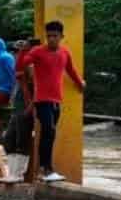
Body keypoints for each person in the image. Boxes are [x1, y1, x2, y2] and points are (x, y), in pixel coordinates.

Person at [20, 20, 85, 182]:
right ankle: (46, 169)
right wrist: (23, 51)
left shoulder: (65, 53)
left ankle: (45, 169)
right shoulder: (37, 51)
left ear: (61, 36)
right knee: (49, 131)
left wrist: (80, 83)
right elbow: (21, 66)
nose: (51, 39)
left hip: (57, 100)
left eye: (55, 36)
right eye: (48, 36)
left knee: (49, 134)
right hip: (41, 99)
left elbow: (71, 70)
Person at [0, 38, 41, 183]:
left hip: (26, 107)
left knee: (22, 141)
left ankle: (18, 174)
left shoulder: (31, 66)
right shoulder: (21, 65)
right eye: (15, 51)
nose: (16, 54)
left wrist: (30, 107)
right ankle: (12, 173)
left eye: (18, 51)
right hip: (18, 108)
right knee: (8, 140)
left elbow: (37, 87)